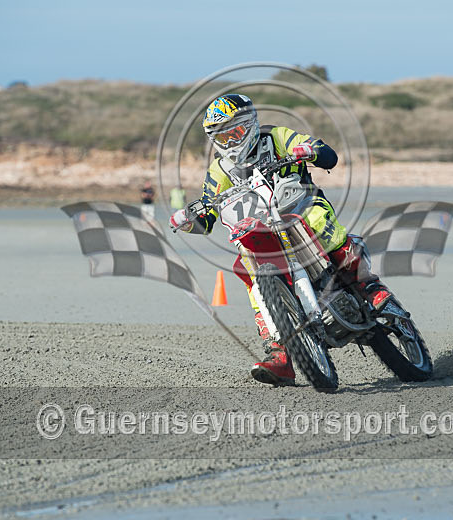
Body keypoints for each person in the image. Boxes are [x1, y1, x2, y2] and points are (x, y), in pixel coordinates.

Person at [169, 94, 395, 386]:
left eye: (234, 131)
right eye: (221, 136)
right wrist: (189, 219)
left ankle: (370, 287)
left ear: (249, 124)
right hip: (261, 225)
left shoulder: (275, 137)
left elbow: (326, 154)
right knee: (246, 267)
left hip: (301, 205)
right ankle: (279, 352)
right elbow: (208, 214)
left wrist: (310, 150)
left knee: (317, 221)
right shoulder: (219, 170)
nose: (229, 140)